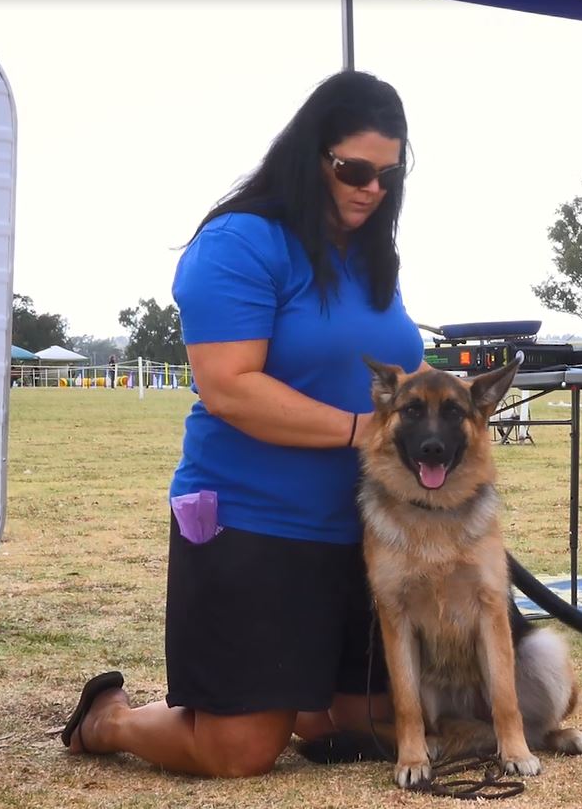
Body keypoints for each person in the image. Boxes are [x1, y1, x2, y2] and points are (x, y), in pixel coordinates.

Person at [57, 70, 426, 778]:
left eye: (388, 174)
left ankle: (297, 696)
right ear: (310, 155)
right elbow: (230, 388)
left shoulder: (372, 254)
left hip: (365, 529)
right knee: (239, 751)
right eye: (354, 169)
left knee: (376, 725)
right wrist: (361, 431)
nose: (372, 189)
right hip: (254, 520)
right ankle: (108, 718)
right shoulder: (239, 242)